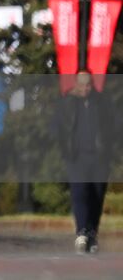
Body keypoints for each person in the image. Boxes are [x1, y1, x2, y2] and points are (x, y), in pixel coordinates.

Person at [53, 70, 115, 254]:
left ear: (92, 85)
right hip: (77, 157)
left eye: (88, 85)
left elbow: (113, 126)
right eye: (82, 85)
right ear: (76, 85)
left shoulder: (102, 102)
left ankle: (92, 233)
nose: (85, 89)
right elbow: (58, 127)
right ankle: (81, 232)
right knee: (80, 193)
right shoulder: (67, 103)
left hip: (99, 157)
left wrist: (110, 149)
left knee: (96, 196)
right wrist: (64, 149)